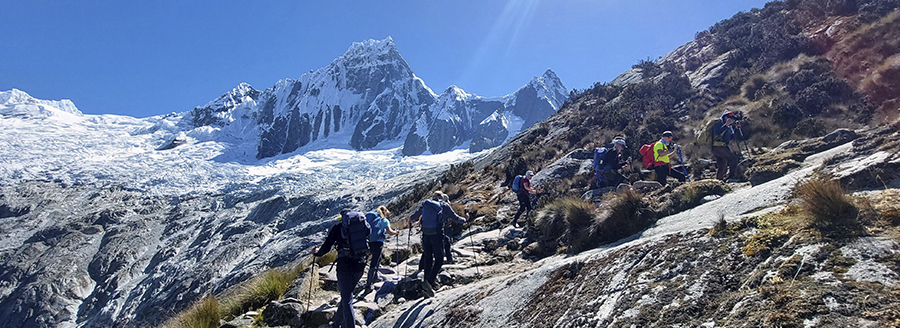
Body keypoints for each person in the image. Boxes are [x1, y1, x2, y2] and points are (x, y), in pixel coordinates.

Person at [312, 210, 370, 328]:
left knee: (347, 299)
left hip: (344, 266)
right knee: (346, 296)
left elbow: (327, 247)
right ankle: (336, 324)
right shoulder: (363, 225)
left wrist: (316, 253)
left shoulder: (338, 228)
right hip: (360, 265)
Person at [412, 191, 467, 297]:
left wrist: (410, 221)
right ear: (442, 197)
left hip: (425, 235)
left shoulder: (426, 204)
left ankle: (427, 287)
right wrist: (465, 219)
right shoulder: (444, 205)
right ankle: (429, 282)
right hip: (437, 235)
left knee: (428, 260)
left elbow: (413, 217)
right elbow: (454, 217)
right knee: (439, 260)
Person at [363, 205, 398, 293]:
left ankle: (374, 277)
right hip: (378, 242)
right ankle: (369, 284)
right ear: (385, 212)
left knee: (370, 260)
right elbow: (390, 232)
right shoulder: (384, 220)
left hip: (368, 241)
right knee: (375, 261)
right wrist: (396, 232)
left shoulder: (371, 218)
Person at [712, 110, 741, 182]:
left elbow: (731, 137)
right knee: (733, 159)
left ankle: (719, 181)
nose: (732, 120)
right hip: (718, 146)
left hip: (720, 147)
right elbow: (717, 132)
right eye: (731, 118)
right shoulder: (719, 123)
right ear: (726, 118)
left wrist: (736, 129)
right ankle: (732, 177)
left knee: (722, 164)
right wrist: (726, 125)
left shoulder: (728, 126)